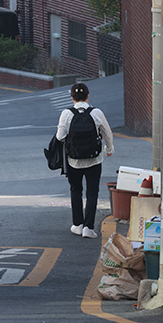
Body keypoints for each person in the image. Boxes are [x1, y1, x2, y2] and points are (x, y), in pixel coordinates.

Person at [56, 82, 114, 239]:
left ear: (72, 97)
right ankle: (89, 227)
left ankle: (77, 225)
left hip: (73, 160)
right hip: (94, 159)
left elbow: (60, 137)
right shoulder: (96, 113)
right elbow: (107, 132)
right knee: (92, 192)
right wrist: (109, 149)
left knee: (76, 190)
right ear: (88, 96)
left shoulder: (67, 114)